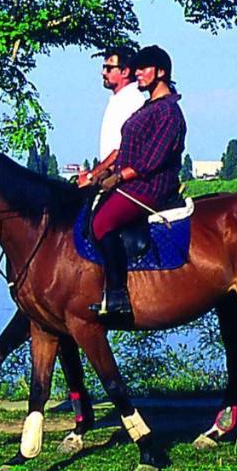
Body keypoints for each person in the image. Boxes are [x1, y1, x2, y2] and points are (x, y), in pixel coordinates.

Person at [89, 44, 187, 322]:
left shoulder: (168, 111)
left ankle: (118, 294)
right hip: (131, 183)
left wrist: (118, 177)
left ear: (161, 72)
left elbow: (151, 161)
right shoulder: (149, 106)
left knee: (102, 223)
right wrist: (100, 175)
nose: (139, 74)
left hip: (150, 187)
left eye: (144, 69)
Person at [77, 45, 144, 188]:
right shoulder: (119, 99)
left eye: (108, 68)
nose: (103, 72)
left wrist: (91, 175)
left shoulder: (131, 100)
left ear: (125, 72)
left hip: (121, 182)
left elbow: (119, 150)